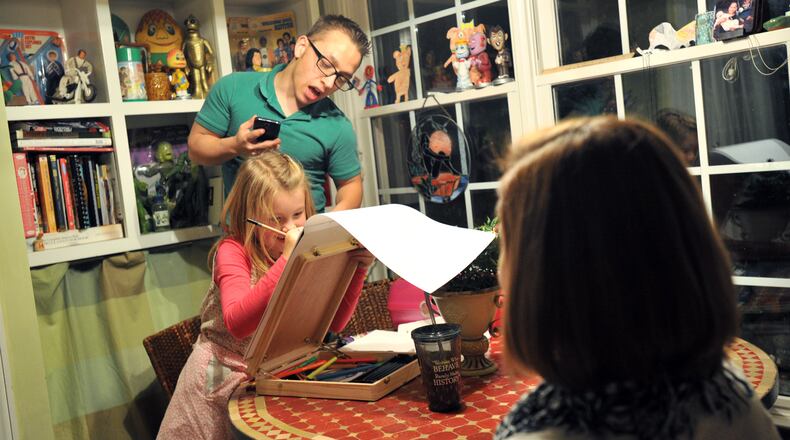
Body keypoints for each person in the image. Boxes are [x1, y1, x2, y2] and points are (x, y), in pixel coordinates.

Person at [494, 117, 781, 440]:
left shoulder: (546, 433)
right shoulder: (731, 398)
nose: (500, 268)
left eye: (506, 241)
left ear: (548, 279)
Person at [157, 151, 374, 439]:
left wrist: (358, 268)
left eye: (298, 214)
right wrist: (286, 262)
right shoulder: (232, 252)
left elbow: (334, 322)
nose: (290, 227)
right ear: (251, 220)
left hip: (264, 379)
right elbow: (237, 322)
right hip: (215, 385)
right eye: (277, 219)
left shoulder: (309, 247)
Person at [188, 14, 369, 213]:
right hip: (242, 240)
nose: (328, 83)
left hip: (304, 241)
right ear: (301, 47)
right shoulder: (232, 88)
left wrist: (322, 230)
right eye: (326, 65)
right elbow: (196, 150)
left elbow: (350, 186)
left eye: (342, 78)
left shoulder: (338, 125)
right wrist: (235, 146)